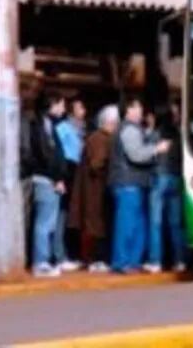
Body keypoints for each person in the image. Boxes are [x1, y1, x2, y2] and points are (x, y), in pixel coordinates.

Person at [108, 98, 170, 274]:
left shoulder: (130, 129)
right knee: (127, 225)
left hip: (132, 182)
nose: (141, 110)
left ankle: (131, 262)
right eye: (138, 107)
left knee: (135, 224)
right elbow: (135, 154)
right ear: (129, 110)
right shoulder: (129, 130)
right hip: (128, 182)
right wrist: (156, 149)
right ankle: (122, 262)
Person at [69, 105, 117, 273]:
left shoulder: (95, 137)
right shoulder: (100, 139)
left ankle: (96, 258)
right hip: (96, 189)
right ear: (109, 123)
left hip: (95, 188)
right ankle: (97, 259)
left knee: (96, 225)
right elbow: (97, 163)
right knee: (97, 225)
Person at [29, 94, 69, 278]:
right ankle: (40, 262)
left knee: (48, 222)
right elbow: (47, 154)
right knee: (44, 222)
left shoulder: (47, 125)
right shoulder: (41, 126)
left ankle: (45, 260)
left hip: (49, 178)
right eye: (60, 104)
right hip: (46, 179)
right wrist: (57, 178)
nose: (62, 109)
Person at [145, 102, 186, 274]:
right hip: (176, 178)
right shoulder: (178, 135)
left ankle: (156, 260)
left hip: (159, 178)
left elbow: (147, 156)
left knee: (155, 222)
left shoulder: (155, 135)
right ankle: (180, 260)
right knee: (175, 224)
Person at [53, 98, 85, 272]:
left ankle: (67, 254)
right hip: (68, 170)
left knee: (68, 215)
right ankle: (59, 255)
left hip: (75, 171)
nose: (83, 110)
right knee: (61, 215)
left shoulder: (82, 128)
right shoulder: (64, 127)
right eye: (80, 107)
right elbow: (63, 152)